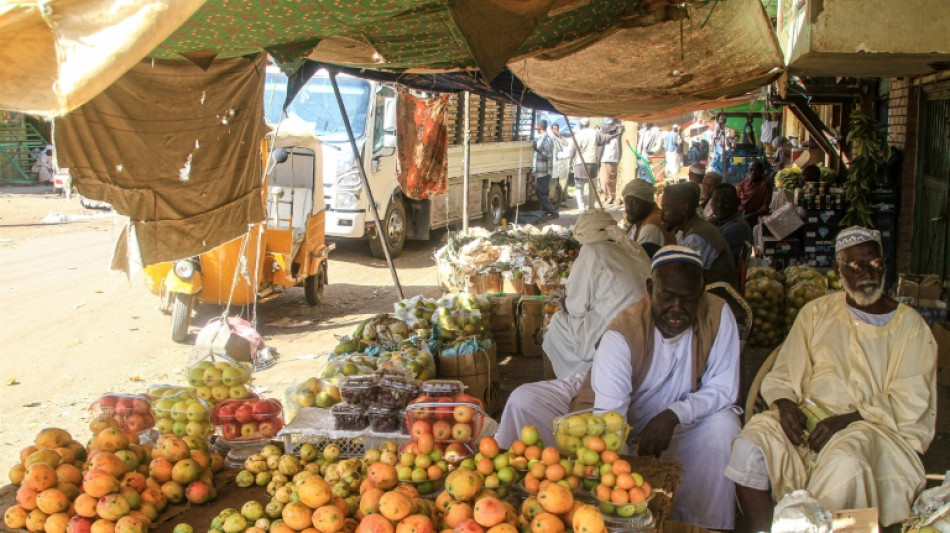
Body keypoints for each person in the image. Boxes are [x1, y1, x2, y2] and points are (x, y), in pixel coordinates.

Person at [497, 246, 742, 530]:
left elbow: (724, 388)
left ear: (701, 293)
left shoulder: (718, 314)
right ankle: (526, 504)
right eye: (667, 296)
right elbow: (609, 420)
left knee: (725, 426)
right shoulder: (622, 333)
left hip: (683, 416)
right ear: (651, 289)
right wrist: (622, 485)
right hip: (605, 400)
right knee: (524, 400)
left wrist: (672, 415)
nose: (677, 308)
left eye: (688, 298)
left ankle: (703, 525)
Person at [726, 227, 937, 529]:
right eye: (855, 265)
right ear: (838, 269)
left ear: (885, 264)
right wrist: (786, 406)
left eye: (874, 263)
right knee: (750, 445)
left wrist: (848, 420)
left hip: (874, 428)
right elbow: (785, 371)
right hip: (807, 421)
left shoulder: (911, 327)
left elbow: (912, 398)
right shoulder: (816, 312)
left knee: (847, 463)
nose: (867, 273)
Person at [540, 210, 651, 379]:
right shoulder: (633, 246)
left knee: (556, 325)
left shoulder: (591, 251)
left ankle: (577, 379)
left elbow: (576, 308)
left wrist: (563, 301)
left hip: (615, 331)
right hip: (646, 326)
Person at [660, 183, 738, 287]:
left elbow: (686, 283)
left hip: (718, 299)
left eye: (665, 209)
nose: (661, 215)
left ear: (684, 209)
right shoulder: (685, 230)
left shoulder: (696, 238)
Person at [564, 118, 616, 210]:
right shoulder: (595, 132)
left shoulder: (577, 134)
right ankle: (591, 206)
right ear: (589, 124)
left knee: (579, 187)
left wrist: (570, 162)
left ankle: (581, 207)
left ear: (581, 125)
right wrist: (616, 134)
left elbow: (572, 150)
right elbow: (605, 139)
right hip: (592, 163)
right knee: (592, 187)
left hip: (580, 163)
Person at [621, 179, 673, 255]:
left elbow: (639, 260)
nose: (628, 208)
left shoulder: (651, 227)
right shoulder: (640, 220)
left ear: (647, 203)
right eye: (626, 202)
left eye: (634, 202)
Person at [709, 184, 752, 266]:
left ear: (737, 202)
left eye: (725, 201)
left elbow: (706, 248)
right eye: (716, 200)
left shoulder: (738, 227)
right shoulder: (721, 222)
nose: (719, 205)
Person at [532, 120, 559, 221]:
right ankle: (544, 211)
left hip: (544, 171)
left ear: (540, 126)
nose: (535, 127)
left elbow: (548, 154)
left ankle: (554, 212)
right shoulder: (540, 138)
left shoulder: (547, 139)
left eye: (537, 125)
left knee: (541, 193)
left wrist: (536, 149)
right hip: (540, 171)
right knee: (542, 192)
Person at [737, 161, 772, 227]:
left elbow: (764, 209)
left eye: (756, 170)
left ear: (762, 171)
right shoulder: (745, 182)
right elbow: (737, 198)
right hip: (741, 215)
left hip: (755, 219)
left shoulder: (765, 185)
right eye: (751, 170)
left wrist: (747, 217)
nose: (753, 172)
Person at [599, 119, 624, 205]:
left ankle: (611, 196)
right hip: (603, 158)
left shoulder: (617, 134)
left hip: (612, 158)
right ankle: (604, 196)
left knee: (609, 179)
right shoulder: (603, 134)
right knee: (603, 179)